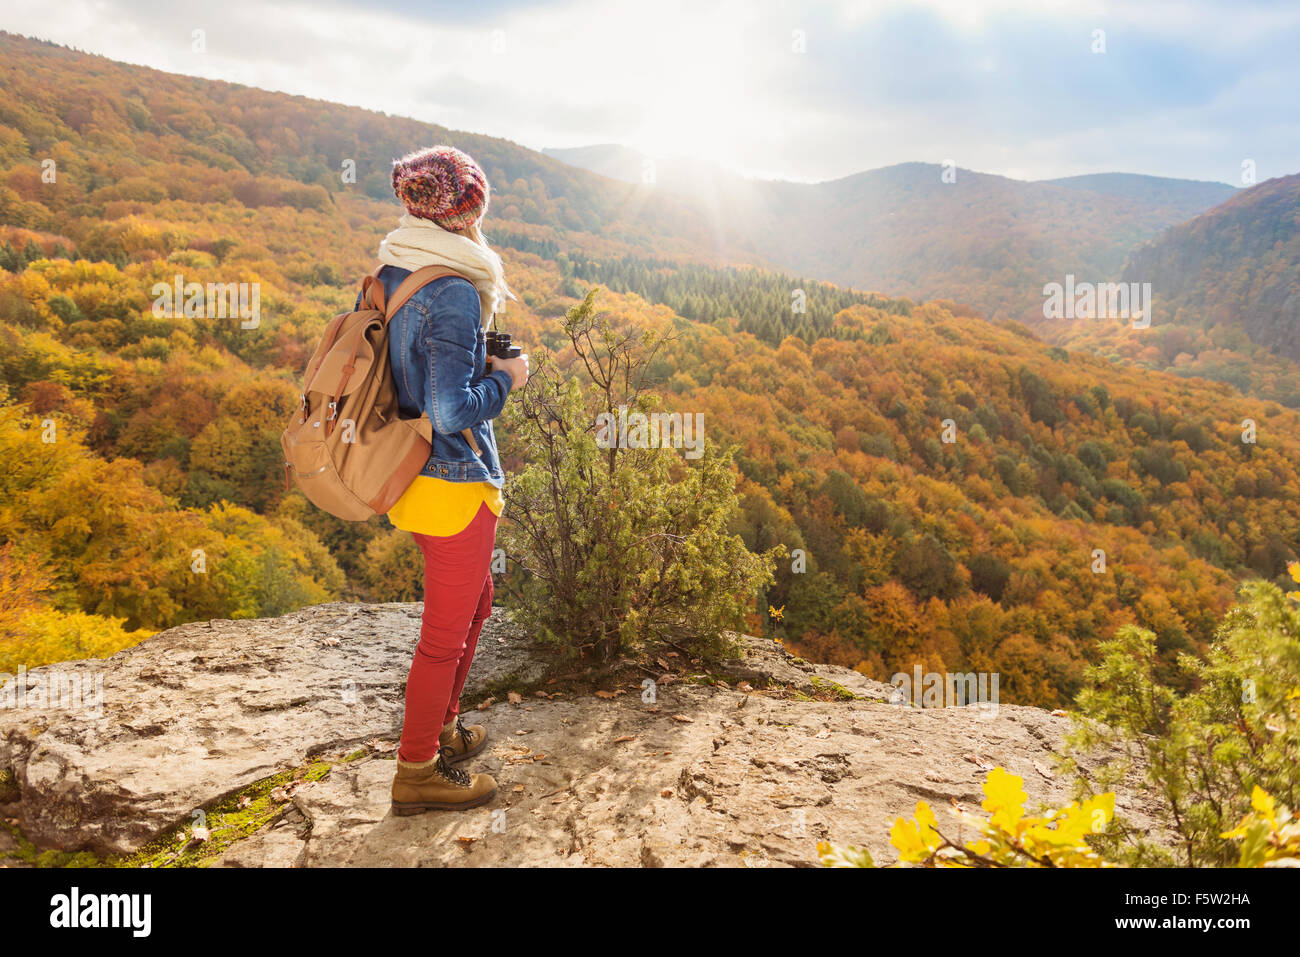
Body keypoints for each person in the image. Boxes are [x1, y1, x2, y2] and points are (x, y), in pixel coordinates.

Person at [370, 145, 529, 815]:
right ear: (468, 212)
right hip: (452, 482)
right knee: (443, 637)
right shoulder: (457, 288)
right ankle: (416, 772)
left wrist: (470, 361)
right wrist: (506, 379)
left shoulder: (393, 268)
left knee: (477, 602)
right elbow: (450, 410)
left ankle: (441, 731)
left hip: (409, 475)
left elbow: (408, 369)